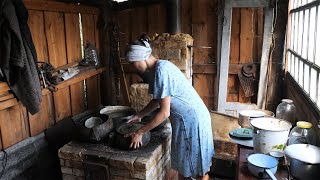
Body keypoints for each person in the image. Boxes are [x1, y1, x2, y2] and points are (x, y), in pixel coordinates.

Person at [125, 35, 215, 180]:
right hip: (192, 119)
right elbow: (157, 101)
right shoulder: (157, 69)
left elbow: (164, 112)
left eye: (132, 62)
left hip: (192, 122)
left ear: (141, 58)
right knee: (189, 167)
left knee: (195, 170)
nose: (132, 67)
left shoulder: (161, 71)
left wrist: (140, 132)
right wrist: (139, 115)